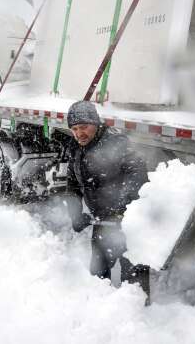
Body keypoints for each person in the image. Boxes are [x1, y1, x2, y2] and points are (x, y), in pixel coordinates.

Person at [65, 100, 150, 298]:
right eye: (75, 129)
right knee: (97, 278)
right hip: (101, 222)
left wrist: (120, 207)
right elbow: (72, 186)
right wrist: (75, 214)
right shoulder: (76, 149)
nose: (79, 133)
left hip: (126, 224)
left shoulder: (116, 144)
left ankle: (139, 318)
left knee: (135, 282)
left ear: (96, 123)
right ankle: (101, 314)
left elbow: (138, 175)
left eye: (84, 127)